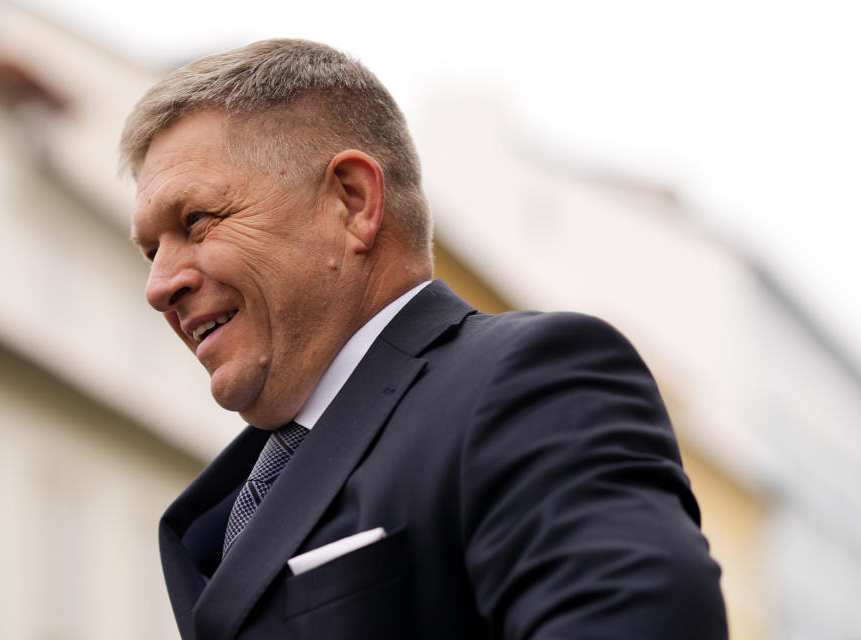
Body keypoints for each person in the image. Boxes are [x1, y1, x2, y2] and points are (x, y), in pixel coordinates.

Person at [120, 39, 727, 639]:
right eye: (151, 251)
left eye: (195, 222)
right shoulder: (224, 505)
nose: (158, 285)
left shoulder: (530, 382)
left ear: (352, 202)